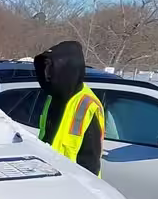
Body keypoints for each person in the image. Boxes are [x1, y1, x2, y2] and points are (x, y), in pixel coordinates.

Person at [33, 40, 105, 175]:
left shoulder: (87, 104)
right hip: (48, 177)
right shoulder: (53, 97)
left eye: (50, 70)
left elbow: (91, 161)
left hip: (74, 184)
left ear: (66, 70)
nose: (47, 76)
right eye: (45, 70)